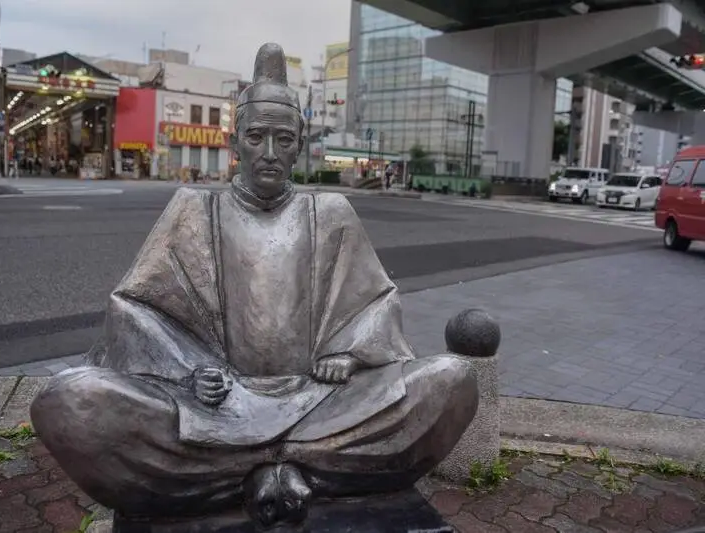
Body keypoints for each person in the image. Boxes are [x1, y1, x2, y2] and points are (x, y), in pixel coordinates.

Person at [30, 43, 478, 529]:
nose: (269, 153)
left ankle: (245, 475)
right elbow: (135, 311)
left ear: (300, 144)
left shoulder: (329, 213)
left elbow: (375, 304)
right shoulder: (192, 211)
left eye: (283, 140)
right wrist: (189, 372)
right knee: (70, 399)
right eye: (256, 137)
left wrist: (348, 355)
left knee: (452, 380)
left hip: (321, 404)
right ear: (234, 141)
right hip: (218, 408)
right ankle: (300, 473)